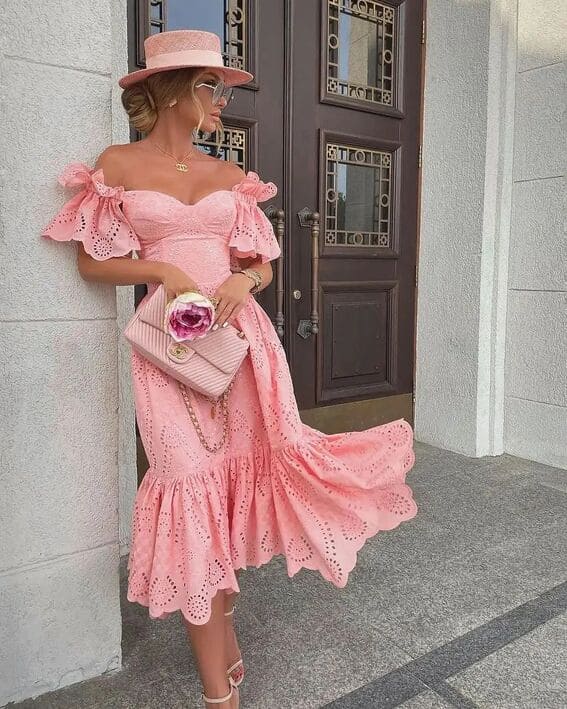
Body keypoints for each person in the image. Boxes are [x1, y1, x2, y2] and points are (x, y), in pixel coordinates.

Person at [41, 29, 418, 709]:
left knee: (235, 479)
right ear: (175, 89)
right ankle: (220, 692)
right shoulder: (117, 163)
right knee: (187, 484)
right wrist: (160, 265)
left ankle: (223, 643)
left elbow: (259, 261)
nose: (220, 100)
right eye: (212, 86)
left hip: (240, 346)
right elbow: (94, 263)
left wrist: (249, 283)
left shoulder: (225, 176)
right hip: (168, 345)